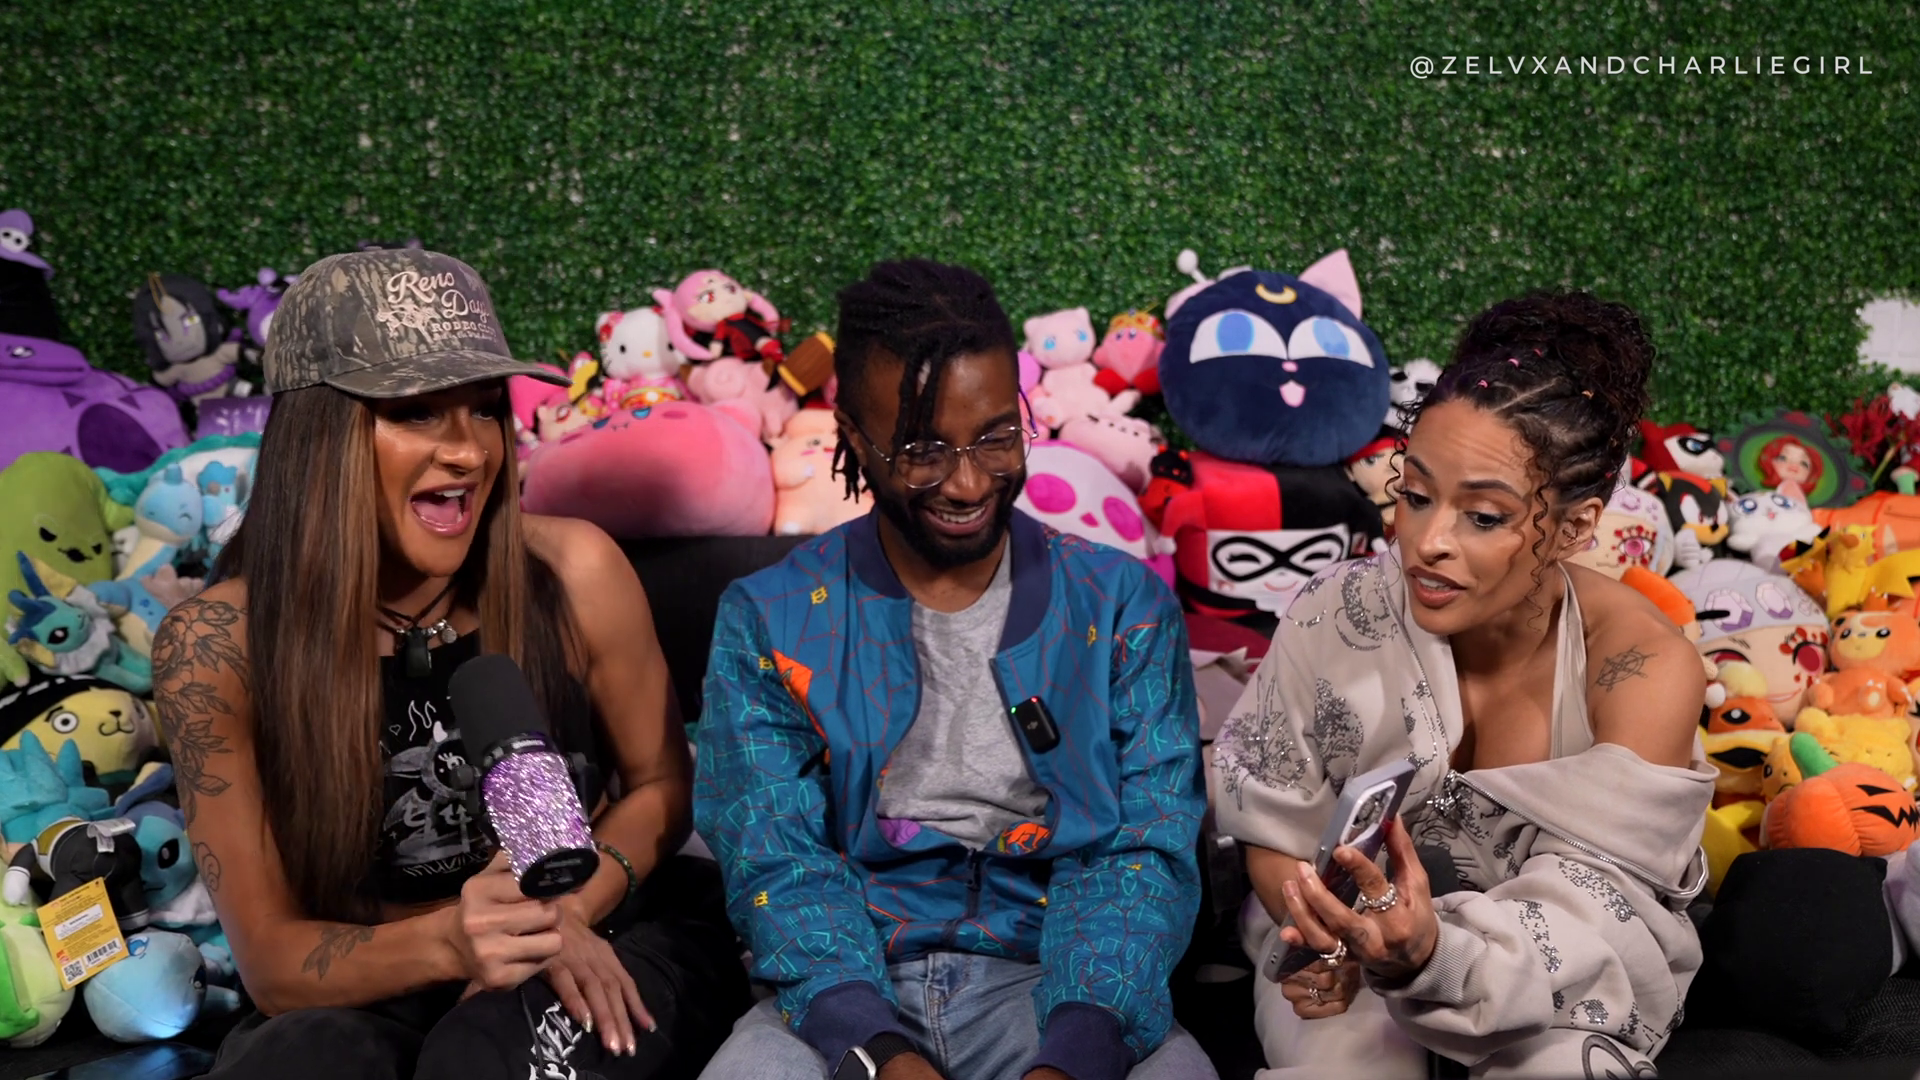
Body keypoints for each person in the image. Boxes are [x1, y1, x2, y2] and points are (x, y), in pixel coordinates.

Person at [151, 248, 748, 1080]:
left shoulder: (576, 570)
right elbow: (274, 963)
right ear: (318, 440)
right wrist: (454, 942)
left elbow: (661, 786)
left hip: (608, 927)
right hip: (379, 973)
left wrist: (562, 914)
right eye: (419, 412)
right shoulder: (215, 645)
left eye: (484, 409)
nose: (469, 452)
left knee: (484, 1059)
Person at [692, 259, 1216, 1080]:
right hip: (845, 984)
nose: (969, 482)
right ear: (853, 437)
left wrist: (1076, 1052)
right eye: (922, 449)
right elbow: (775, 855)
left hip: (1059, 982)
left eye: (997, 436)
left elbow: (1145, 851)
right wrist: (875, 1049)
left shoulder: (1121, 606)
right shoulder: (772, 616)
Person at [1209, 292, 1715, 1079]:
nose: (1427, 542)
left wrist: (1430, 957)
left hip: (1556, 976)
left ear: (1577, 526)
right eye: (1415, 497)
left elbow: (1596, 912)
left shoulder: (1642, 667)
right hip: (1347, 956)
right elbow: (1275, 828)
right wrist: (1332, 941)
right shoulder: (1334, 613)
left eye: (1482, 516)